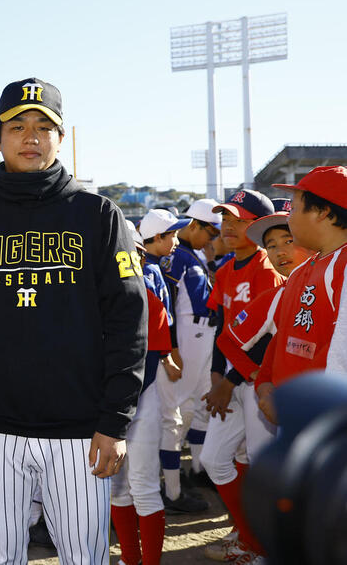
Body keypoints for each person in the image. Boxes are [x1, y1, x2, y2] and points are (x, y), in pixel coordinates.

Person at [0, 77, 147, 564]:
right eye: (17, 126)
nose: (30, 136)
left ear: (62, 138)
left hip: (80, 431)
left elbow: (129, 322)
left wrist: (115, 420)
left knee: (86, 556)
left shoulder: (99, 215)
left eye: (43, 126)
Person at [200, 189, 282, 563]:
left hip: (258, 380)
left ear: (257, 225)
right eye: (224, 220)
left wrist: (228, 382)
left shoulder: (268, 267)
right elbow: (222, 327)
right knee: (215, 459)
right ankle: (249, 531)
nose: (227, 226)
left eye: (237, 220)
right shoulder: (226, 265)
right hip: (232, 377)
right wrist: (218, 376)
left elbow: (266, 337)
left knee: (261, 465)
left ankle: (258, 542)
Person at [256, 166, 347, 409]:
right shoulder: (300, 272)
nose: (289, 217)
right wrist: (265, 381)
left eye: (294, 208)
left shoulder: (342, 264)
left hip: (322, 412)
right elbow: (283, 335)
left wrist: (297, 402)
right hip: (291, 405)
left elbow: (341, 351)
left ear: (322, 212)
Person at [157, 199, 223, 501]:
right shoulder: (176, 256)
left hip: (204, 332)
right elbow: (166, 302)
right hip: (187, 333)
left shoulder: (191, 253)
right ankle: (172, 487)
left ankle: (198, 469)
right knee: (179, 410)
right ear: (195, 225)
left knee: (199, 405)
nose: (212, 239)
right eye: (210, 233)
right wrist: (171, 345)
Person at [110, 221, 167, 565]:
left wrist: (117, 406)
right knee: (117, 490)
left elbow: (149, 365)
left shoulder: (150, 300)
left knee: (143, 486)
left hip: (140, 402)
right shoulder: (92, 301)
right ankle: (131, 559)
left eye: (136, 255)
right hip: (108, 407)